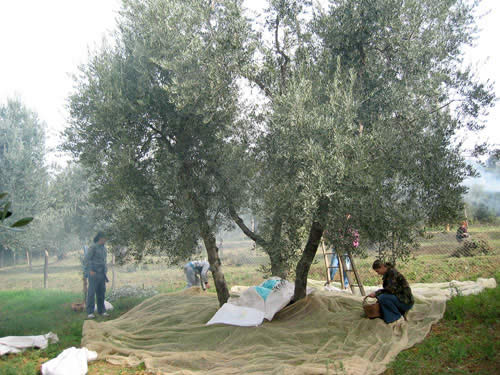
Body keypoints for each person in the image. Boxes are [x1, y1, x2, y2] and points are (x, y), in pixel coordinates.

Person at [368, 259, 414, 325]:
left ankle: (395, 317)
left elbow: (391, 290)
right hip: (401, 299)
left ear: (382, 267)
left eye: (378, 271)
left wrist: (376, 293)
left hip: (405, 301)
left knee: (383, 298)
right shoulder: (389, 273)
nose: (378, 273)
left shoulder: (392, 273)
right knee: (381, 298)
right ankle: (392, 314)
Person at [84, 232, 109, 319]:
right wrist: (90, 270)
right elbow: (87, 259)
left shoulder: (104, 248)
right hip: (93, 273)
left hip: (102, 273)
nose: (106, 240)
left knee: (101, 292)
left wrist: (105, 270)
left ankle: (101, 310)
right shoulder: (93, 247)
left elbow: (104, 260)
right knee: (91, 293)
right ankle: (90, 312)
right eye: (105, 238)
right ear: (100, 238)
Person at [329, 214, 359, 288]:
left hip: (346, 250)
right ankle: (330, 282)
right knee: (334, 265)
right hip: (337, 248)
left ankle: (345, 285)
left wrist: (353, 245)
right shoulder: (338, 223)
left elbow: (355, 237)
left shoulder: (351, 225)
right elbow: (332, 233)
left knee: (346, 267)